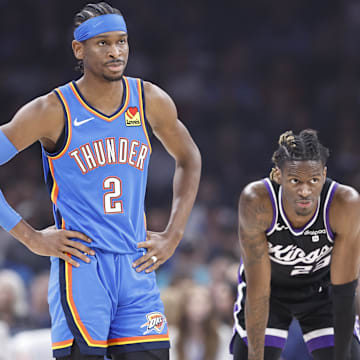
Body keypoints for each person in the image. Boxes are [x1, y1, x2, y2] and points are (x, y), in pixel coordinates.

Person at [0, 2, 201, 360]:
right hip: (82, 267)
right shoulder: (52, 109)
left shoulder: (149, 99)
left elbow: (189, 158)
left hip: (136, 266)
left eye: (122, 41)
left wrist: (173, 235)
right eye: (103, 43)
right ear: (79, 49)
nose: (116, 51)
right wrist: (30, 237)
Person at [231, 129, 360, 360]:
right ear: (278, 176)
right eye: (295, 181)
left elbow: (344, 292)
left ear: (324, 174)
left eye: (313, 180)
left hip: (322, 291)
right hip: (270, 292)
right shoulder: (257, 201)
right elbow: (258, 290)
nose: (305, 191)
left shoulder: (344, 203)